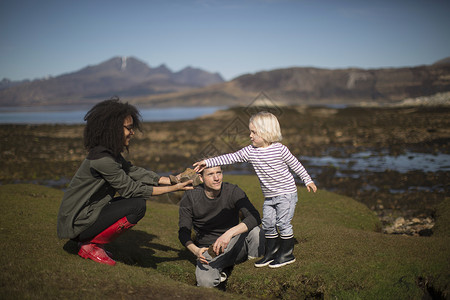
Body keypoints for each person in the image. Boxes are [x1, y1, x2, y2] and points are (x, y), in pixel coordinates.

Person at [57, 98, 193, 266]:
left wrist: (171, 179)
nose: (132, 132)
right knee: (137, 206)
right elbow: (131, 190)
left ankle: (91, 241)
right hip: (78, 222)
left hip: (88, 212)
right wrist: (174, 188)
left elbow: (131, 171)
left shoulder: (108, 153)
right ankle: (89, 245)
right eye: (129, 128)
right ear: (113, 129)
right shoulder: (103, 159)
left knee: (136, 203)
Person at [194, 111, 317, 269]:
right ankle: (271, 253)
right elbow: (230, 157)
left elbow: (296, 165)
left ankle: (287, 254)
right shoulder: (250, 151)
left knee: (283, 223)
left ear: (266, 132)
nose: (250, 135)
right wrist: (207, 162)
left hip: (286, 194)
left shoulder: (280, 149)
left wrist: (307, 180)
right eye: (250, 132)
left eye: (253, 132)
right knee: (267, 224)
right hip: (270, 197)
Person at [178, 165, 264, 288]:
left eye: (219, 173)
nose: (216, 178)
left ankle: (253, 271)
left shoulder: (233, 191)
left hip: (237, 245)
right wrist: (196, 250)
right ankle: (224, 271)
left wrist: (228, 234)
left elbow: (254, 217)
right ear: (201, 178)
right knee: (205, 283)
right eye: (210, 174)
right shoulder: (190, 197)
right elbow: (183, 231)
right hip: (210, 251)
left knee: (255, 231)